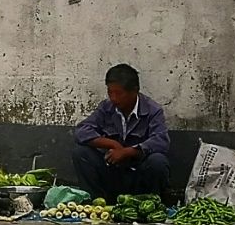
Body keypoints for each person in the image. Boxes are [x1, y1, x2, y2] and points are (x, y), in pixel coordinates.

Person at [73, 63, 171, 199]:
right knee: (81, 152)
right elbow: (81, 131)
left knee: (158, 161)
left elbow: (161, 141)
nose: (113, 98)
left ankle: (149, 204)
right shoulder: (106, 108)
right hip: (112, 173)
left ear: (134, 91)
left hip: (138, 175)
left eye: (119, 93)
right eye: (110, 93)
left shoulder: (153, 111)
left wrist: (127, 152)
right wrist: (112, 145)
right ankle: (96, 203)